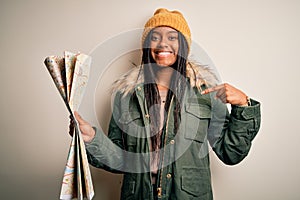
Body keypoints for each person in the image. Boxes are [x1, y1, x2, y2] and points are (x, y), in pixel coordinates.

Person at [70, 8, 261, 200]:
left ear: (184, 46)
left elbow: (231, 153)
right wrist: (91, 138)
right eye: (155, 37)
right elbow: (120, 160)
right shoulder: (126, 95)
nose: (163, 43)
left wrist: (243, 105)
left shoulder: (205, 92)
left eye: (172, 37)